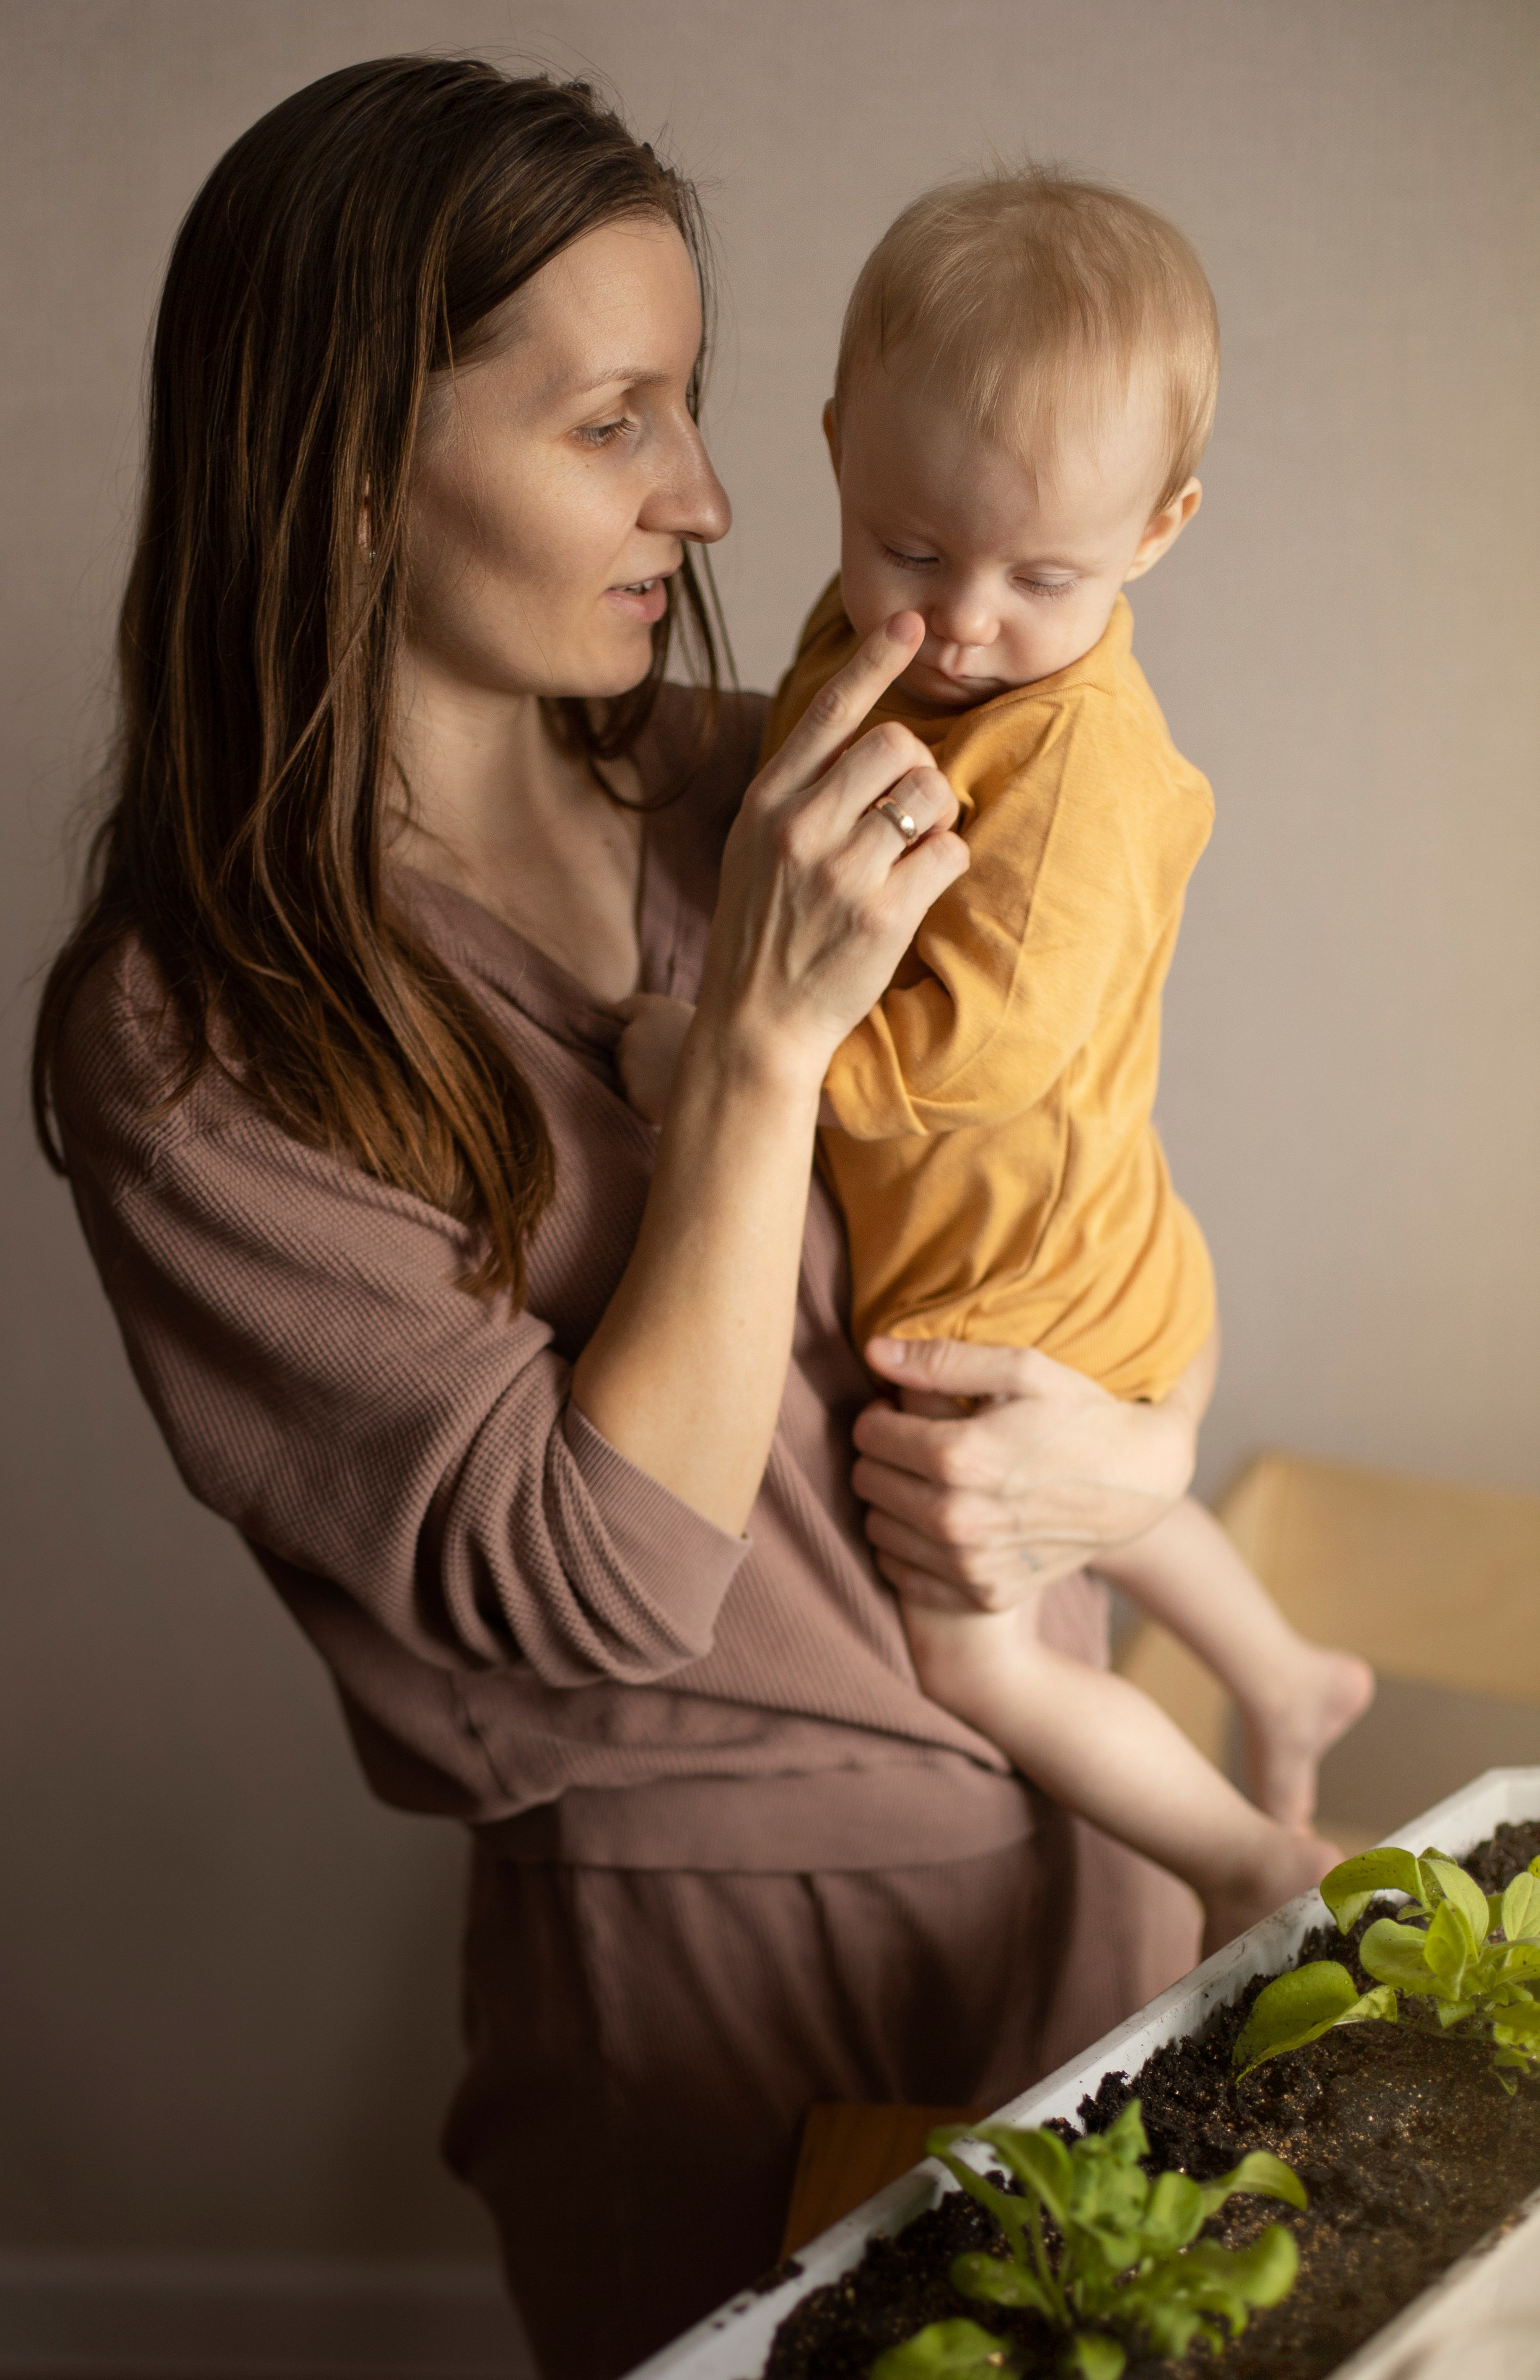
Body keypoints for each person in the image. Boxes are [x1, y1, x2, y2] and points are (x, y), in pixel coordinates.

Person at [33, 66, 1213, 2380]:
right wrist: (759, 1061)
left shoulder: (758, 774)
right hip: (717, 1989)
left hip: (1085, 1846)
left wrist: (1147, 1457)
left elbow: (1081, 1161)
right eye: (616, 420)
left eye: (691, 401)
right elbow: (591, 1592)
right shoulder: (193, 1041)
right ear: (359, 463)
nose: (710, 490)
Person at [630, 170, 1370, 1962]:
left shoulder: (1076, 782)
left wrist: (737, 1047)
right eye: (909, 548)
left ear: (1161, 527)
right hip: (1096, 1241)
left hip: (1021, 1283)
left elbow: (971, 1058)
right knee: (1127, 1515)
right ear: (834, 446)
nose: (959, 621)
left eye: (1042, 575)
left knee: (978, 1655)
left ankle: (1243, 1858)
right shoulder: (880, 639)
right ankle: (1288, 1669)